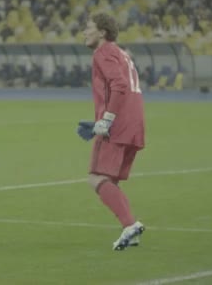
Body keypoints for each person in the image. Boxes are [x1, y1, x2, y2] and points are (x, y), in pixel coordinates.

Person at [76, 13, 145, 251]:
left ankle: (130, 225)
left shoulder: (103, 52)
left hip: (117, 125)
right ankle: (131, 230)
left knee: (96, 178)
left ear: (102, 32)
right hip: (134, 124)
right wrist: (98, 122)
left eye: (88, 27)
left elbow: (119, 85)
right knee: (110, 181)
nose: (84, 32)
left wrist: (106, 120)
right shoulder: (122, 53)